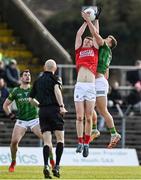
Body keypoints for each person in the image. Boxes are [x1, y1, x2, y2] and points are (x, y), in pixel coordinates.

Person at [81, 11, 121, 148]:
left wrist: (88, 21)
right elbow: (107, 75)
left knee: (102, 110)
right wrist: (96, 19)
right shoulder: (106, 52)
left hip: (98, 82)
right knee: (89, 106)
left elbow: (95, 34)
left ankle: (114, 133)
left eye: (107, 38)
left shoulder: (104, 46)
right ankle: (94, 129)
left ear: (109, 43)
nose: (104, 38)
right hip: (99, 81)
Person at [3, 69, 55, 172]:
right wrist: (10, 115)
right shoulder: (15, 91)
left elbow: (43, 102)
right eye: (25, 75)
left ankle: (52, 161)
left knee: (47, 140)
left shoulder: (35, 89)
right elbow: (5, 105)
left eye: (29, 75)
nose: (28, 77)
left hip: (34, 119)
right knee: (14, 142)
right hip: (21, 120)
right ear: (21, 78)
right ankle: (13, 161)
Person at [29, 59, 67, 179]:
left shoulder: (38, 81)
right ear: (54, 69)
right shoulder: (56, 78)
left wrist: (39, 105)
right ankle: (56, 166)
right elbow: (57, 90)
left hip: (43, 111)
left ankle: (46, 165)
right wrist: (61, 106)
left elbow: (30, 100)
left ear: (45, 68)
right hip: (55, 110)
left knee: (47, 142)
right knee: (60, 139)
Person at [74, 8, 102, 157]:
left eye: (89, 40)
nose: (88, 40)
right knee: (79, 117)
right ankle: (79, 142)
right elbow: (79, 34)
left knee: (89, 117)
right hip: (79, 86)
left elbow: (96, 35)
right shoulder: (78, 50)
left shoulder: (95, 50)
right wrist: (86, 21)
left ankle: (86, 143)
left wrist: (95, 19)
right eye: (86, 39)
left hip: (90, 86)